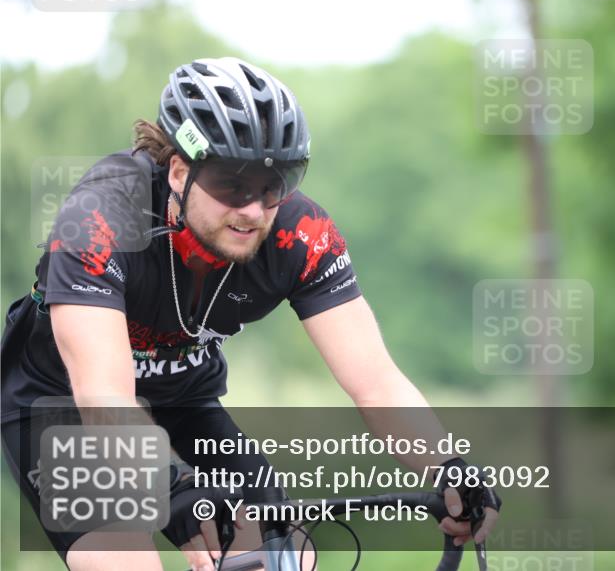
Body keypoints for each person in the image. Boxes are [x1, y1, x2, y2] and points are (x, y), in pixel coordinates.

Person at [0, 57, 500, 571]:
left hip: (184, 401)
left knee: (285, 557)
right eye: (230, 185)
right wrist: (171, 489)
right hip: (61, 407)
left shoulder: (299, 236)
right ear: (179, 171)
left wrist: (449, 469)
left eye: (272, 186)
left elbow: (376, 382)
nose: (253, 211)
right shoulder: (100, 223)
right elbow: (104, 397)